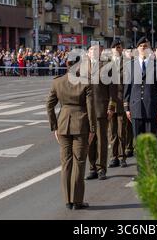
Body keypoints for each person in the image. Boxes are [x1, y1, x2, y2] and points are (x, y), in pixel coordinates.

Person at [46, 55, 96, 210]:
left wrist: (54, 126)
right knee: (79, 162)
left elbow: (49, 106)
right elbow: (91, 108)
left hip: (63, 125)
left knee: (66, 162)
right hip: (81, 125)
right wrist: (93, 129)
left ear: (67, 65)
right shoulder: (85, 82)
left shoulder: (57, 82)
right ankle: (78, 201)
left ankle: (68, 200)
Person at [123, 37, 157, 144]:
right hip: (135, 108)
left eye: (145, 46)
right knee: (138, 140)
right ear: (137, 49)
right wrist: (127, 108)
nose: (143, 48)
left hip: (151, 108)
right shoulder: (130, 66)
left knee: (150, 139)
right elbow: (127, 89)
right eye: (141, 46)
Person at [86, 43, 116, 181]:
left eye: (97, 49)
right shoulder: (81, 67)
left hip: (101, 109)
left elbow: (113, 89)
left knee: (101, 141)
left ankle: (101, 168)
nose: (94, 52)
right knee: (89, 141)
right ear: (88, 52)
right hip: (86, 112)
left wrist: (111, 107)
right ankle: (92, 168)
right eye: (92, 49)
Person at [108, 39, 129, 169]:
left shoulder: (127, 63)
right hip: (110, 101)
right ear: (111, 49)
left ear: (122, 49)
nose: (117, 49)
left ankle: (122, 157)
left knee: (122, 131)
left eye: (119, 47)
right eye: (115, 47)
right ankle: (113, 156)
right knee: (112, 132)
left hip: (121, 100)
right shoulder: (106, 63)